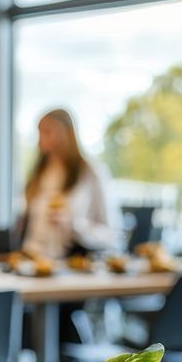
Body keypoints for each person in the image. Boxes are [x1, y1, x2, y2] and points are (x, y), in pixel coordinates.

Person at [19, 108, 120, 259]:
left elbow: (111, 235)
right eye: (40, 132)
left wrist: (74, 226)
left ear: (66, 133)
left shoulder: (91, 173)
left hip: (73, 266)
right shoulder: (39, 173)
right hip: (33, 263)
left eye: (47, 132)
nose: (41, 139)